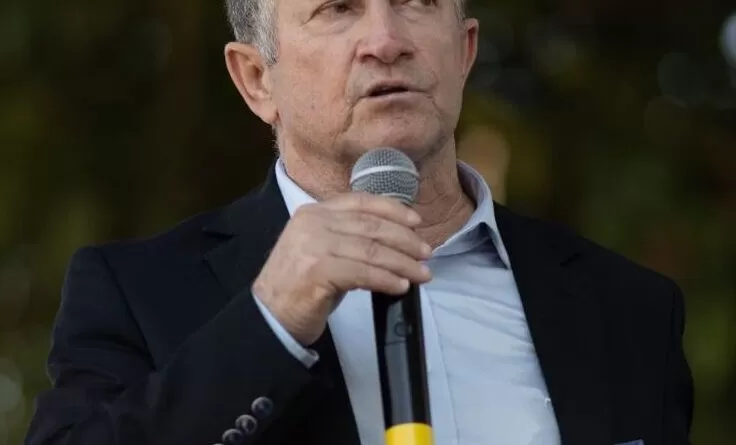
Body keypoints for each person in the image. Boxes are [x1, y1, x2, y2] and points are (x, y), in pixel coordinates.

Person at [25, 0, 693, 443]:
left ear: (464, 52)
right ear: (257, 79)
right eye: (337, 7)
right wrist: (271, 320)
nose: (386, 40)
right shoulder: (140, 292)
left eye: (415, 1)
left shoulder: (626, 307)